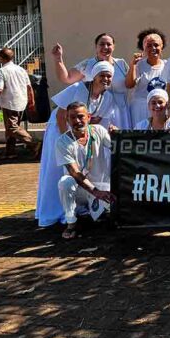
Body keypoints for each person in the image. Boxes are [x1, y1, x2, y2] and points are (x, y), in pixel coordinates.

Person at [36, 61, 117, 227]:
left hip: (83, 133)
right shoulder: (77, 88)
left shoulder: (107, 97)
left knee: (86, 169)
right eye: (102, 75)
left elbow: (96, 120)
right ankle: (59, 212)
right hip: (61, 131)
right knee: (58, 173)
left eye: (109, 76)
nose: (105, 79)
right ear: (94, 76)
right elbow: (61, 115)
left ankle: (83, 205)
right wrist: (68, 139)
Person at [56, 101, 116, 239]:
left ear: (88, 117)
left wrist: (117, 135)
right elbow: (74, 173)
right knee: (65, 182)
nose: (77, 121)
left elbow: (117, 148)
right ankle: (71, 223)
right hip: (80, 190)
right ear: (67, 119)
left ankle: (98, 213)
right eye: (73, 117)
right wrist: (96, 192)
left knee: (111, 216)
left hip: (101, 187)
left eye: (81, 116)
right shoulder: (62, 142)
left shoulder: (98, 130)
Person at [51, 34, 130, 129]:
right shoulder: (87, 64)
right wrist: (58, 59)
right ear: (96, 47)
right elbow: (67, 78)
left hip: (119, 112)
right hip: (92, 111)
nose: (105, 47)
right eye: (102, 44)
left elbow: (131, 84)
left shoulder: (121, 64)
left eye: (109, 44)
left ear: (113, 47)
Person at [0, 47, 40, 159]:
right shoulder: (21, 70)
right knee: (11, 129)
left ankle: (34, 144)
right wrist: (32, 102)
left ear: (1, 58)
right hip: (21, 102)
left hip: (10, 103)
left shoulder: (1, 71)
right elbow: (29, 87)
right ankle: (10, 152)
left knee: (12, 128)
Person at [126, 29, 167, 126]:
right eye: (149, 46)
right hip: (140, 109)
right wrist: (133, 65)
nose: (153, 48)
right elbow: (129, 85)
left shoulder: (167, 65)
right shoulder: (138, 65)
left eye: (156, 45)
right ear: (143, 48)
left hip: (160, 108)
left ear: (161, 46)